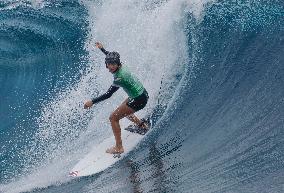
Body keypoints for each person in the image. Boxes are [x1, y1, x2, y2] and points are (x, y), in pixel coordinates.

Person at [84, 42, 149, 154]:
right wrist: (102, 49)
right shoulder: (120, 65)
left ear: (117, 64)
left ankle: (119, 147)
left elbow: (108, 94)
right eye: (109, 64)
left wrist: (92, 102)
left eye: (113, 64)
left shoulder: (120, 77)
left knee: (113, 118)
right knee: (124, 110)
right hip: (141, 94)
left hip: (139, 99)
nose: (110, 66)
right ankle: (141, 125)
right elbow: (111, 56)